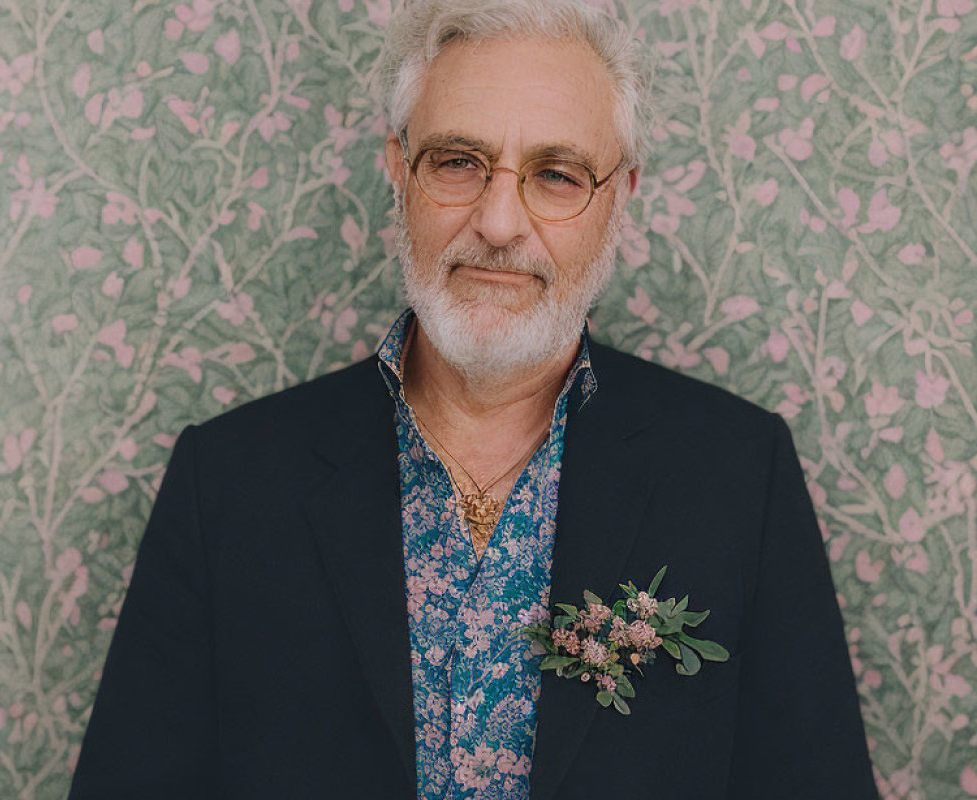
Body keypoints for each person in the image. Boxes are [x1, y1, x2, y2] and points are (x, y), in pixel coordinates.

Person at [68, 1, 880, 798]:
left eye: (556, 175)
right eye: (459, 161)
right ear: (399, 168)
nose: (498, 222)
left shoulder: (740, 472)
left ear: (619, 199)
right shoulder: (229, 480)